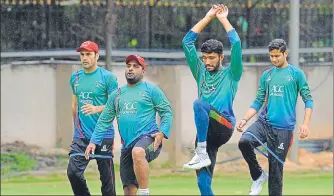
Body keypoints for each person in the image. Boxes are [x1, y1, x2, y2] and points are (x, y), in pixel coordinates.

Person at [85, 55, 173, 196]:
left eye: (135, 66)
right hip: (127, 145)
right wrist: (93, 141)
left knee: (138, 152)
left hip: (150, 139)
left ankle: (144, 193)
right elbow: (104, 119)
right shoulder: (117, 94)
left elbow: (167, 112)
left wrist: (162, 132)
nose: (131, 69)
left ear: (143, 70)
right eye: (128, 66)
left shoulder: (151, 90)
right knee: (129, 190)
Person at [237, 39, 314, 196]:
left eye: (277, 56)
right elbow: (259, 100)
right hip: (264, 123)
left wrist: (305, 124)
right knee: (244, 141)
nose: (273, 59)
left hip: (283, 130)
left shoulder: (296, 74)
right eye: (271, 56)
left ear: (285, 54)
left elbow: (309, 100)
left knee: (275, 173)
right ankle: (258, 175)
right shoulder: (267, 75)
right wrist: (245, 119)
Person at [182, 4, 243, 195]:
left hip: (224, 125)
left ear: (221, 57)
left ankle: (201, 152)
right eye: (204, 58)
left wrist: (223, 19)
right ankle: (202, 153)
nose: (207, 62)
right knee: (203, 184)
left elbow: (237, 44)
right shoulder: (200, 71)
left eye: (211, 58)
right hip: (206, 136)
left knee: (199, 104)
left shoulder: (232, 74)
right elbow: (186, 42)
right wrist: (208, 17)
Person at [67, 41, 118, 196]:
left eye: (88, 54)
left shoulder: (108, 78)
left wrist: (96, 108)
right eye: (82, 54)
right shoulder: (75, 77)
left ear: (96, 56)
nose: (84, 58)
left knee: (107, 180)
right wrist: (75, 129)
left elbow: (116, 104)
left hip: (103, 134)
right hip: (81, 136)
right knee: (73, 172)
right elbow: (74, 105)